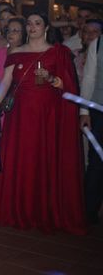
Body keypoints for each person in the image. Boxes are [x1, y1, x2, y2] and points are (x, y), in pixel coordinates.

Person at [0, 12, 86, 234]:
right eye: (29, 23)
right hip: (20, 116)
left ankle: (43, 210)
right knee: (21, 159)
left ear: (46, 27)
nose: (32, 27)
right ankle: (17, 208)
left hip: (47, 116)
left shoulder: (58, 52)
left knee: (43, 159)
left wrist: (52, 79)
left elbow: (68, 87)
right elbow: (5, 83)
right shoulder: (16, 51)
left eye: (37, 23)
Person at [80, 21, 103, 224]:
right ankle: (88, 212)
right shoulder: (98, 44)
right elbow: (88, 78)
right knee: (96, 162)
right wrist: (84, 110)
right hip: (98, 110)